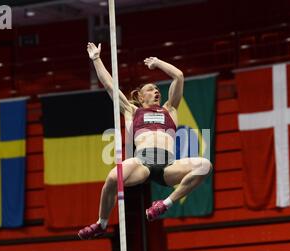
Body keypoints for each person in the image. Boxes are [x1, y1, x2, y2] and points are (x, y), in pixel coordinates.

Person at [78, 42, 212, 240]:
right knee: (113, 178)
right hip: (142, 162)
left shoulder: (170, 110)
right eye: (150, 89)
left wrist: (158, 62)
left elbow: (179, 76)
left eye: (157, 89)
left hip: (169, 165)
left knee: (205, 165)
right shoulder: (132, 111)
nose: (156, 91)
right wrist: (96, 59)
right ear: (140, 96)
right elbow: (109, 86)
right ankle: (101, 223)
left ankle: (164, 204)